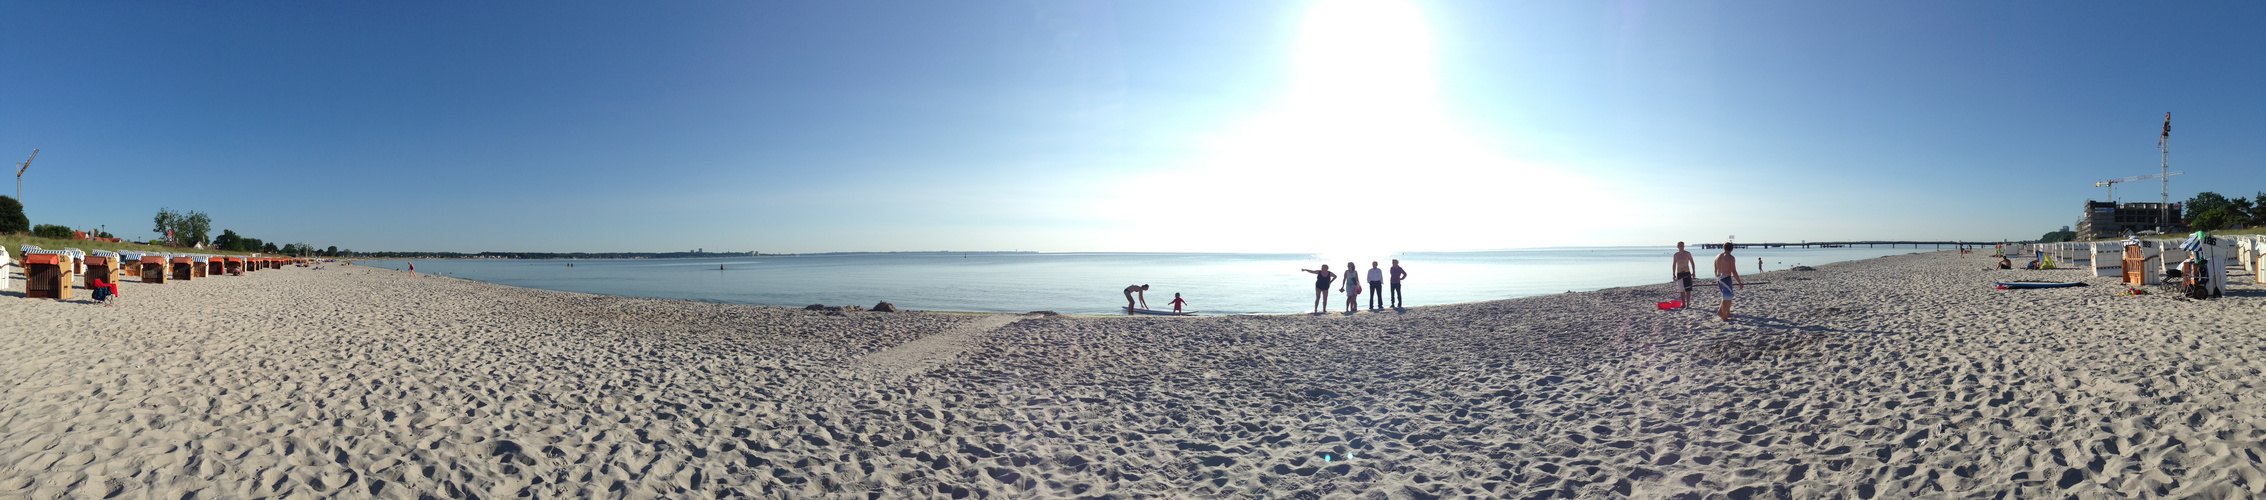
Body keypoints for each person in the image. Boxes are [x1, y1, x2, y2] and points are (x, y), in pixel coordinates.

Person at [1714, 242, 1746, 322]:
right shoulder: (1730, 258)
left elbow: (1715, 269)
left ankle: (1724, 312)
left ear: (1724, 248)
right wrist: (1740, 283)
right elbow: (1734, 271)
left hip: (1720, 278)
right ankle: (1724, 316)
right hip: (1726, 278)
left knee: (1729, 296)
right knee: (1726, 298)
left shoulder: (1717, 257)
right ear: (1732, 249)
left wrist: (1717, 278)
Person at [1670, 242, 1696, 309]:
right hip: (1679, 273)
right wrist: (1673, 274)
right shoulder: (1676, 255)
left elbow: (1692, 263)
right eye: (1680, 246)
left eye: (1683, 246)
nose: (1682, 247)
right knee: (1681, 289)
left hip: (1686, 272)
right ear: (1678, 246)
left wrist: (1694, 272)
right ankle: (1683, 304)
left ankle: (1688, 304)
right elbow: (1674, 264)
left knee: (1688, 289)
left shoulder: (1687, 254)